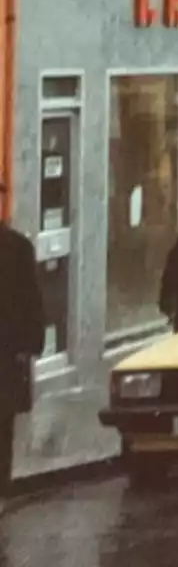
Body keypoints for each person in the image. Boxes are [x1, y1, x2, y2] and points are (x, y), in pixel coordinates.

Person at [0, 212, 44, 512]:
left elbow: (32, 298)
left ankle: (1, 489)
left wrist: (29, 345)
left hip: (7, 348)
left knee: (3, 423)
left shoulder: (18, 247)